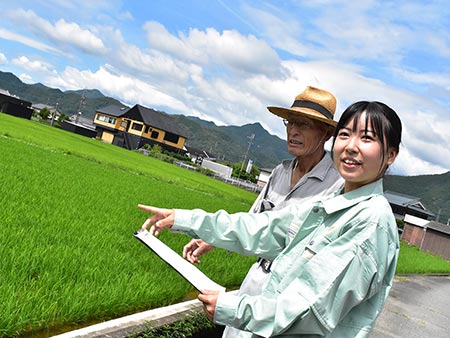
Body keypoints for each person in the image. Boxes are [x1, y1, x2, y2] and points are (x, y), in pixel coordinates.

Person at [139, 100, 402, 337]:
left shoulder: (369, 222)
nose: (351, 147)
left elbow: (311, 309)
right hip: (261, 300)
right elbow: (265, 226)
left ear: (390, 154)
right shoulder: (331, 200)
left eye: (367, 138)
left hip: (270, 315)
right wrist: (186, 219)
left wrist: (233, 307)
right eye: (345, 135)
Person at [182, 86, 344, 337]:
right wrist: (211, 238)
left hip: (286, 297)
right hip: (254, 282)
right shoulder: (279, 172)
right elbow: (252, 221)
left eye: (304, 124)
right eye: (290, 122)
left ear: (327, 133)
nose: (293, 131)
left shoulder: (336, 187)